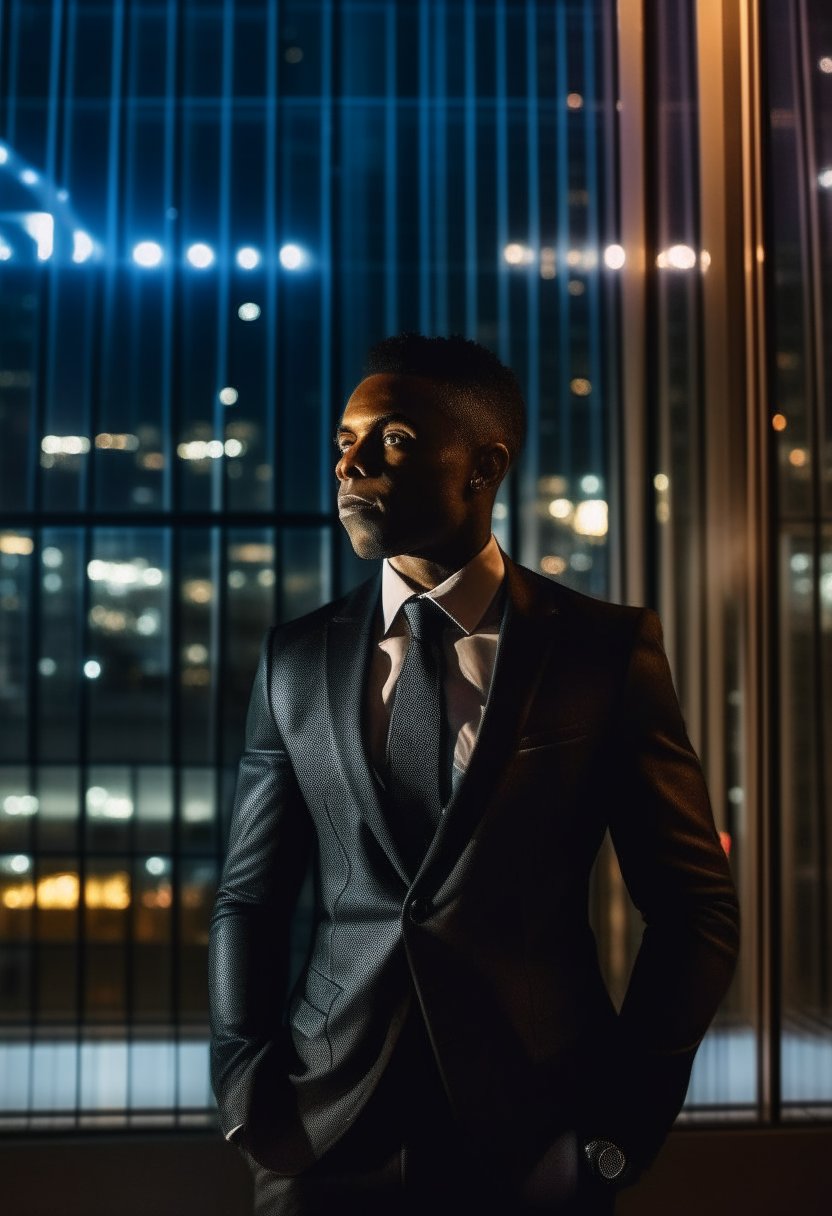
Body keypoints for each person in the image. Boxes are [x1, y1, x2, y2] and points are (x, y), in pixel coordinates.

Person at [209, 332, 740, 1216]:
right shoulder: (293, 660)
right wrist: (244, 1096)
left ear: (483, 465)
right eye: (346, 440)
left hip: (536, 1133)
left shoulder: (602, 653)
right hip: (319, 1131)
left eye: (396, 439)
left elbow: (697, 911)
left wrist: (615, 1135)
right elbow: (249, 898)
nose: (353, 464)